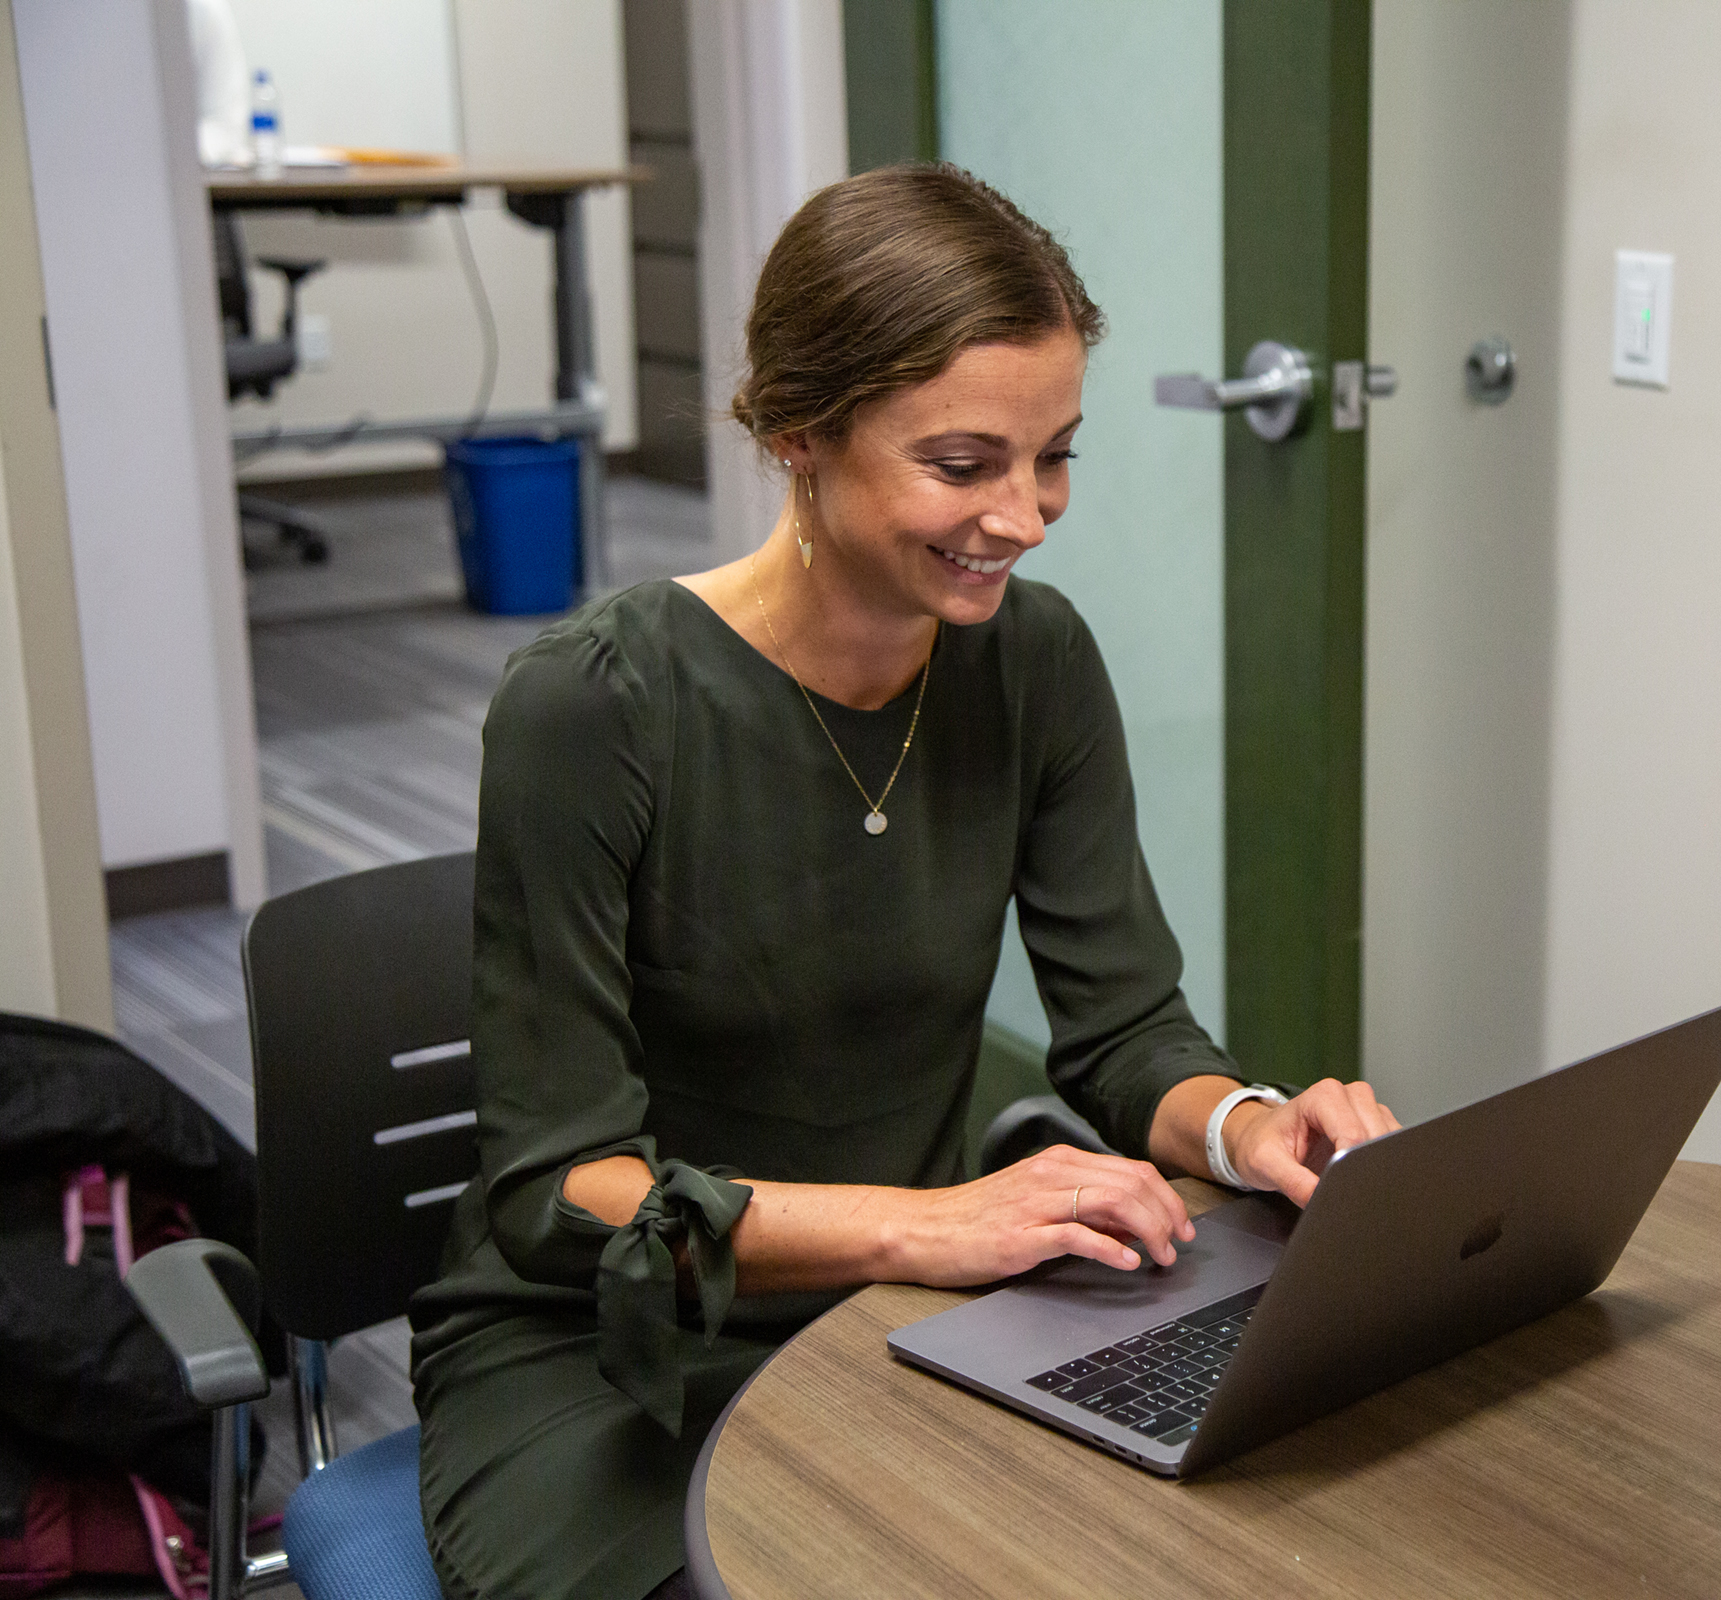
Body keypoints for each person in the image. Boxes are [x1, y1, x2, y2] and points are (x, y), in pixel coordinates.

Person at [408, 164, 1399, 1600]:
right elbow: (561, 1194)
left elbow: (1126, 1034)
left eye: (1054, 455)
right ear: (801, 432)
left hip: (898, 1301)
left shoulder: (1035, 661)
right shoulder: (595, 705)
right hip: (606, 1354)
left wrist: (1252, 1132)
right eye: (964, 464)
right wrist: (934, 1225)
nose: (1028, 514)